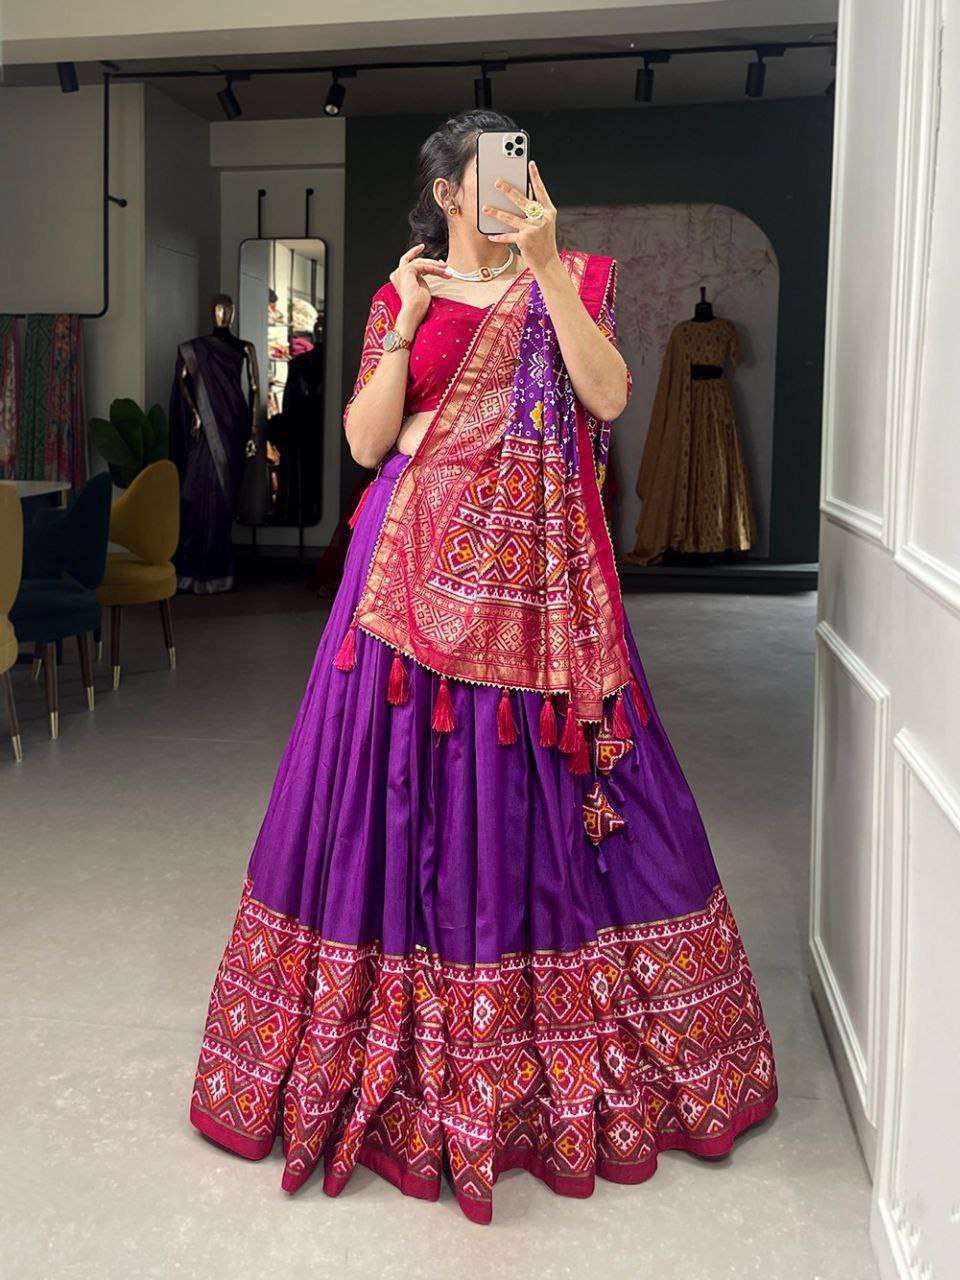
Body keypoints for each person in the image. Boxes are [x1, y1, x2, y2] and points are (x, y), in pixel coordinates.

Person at [188, 108, 777, 1225]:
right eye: (496, 170)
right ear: (449, 192)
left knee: (547, 808)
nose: (517, 183)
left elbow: (608, 397)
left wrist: (547, 269)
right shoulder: (401, 291)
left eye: (527, 163)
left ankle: (544, 1037)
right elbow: (367, 443)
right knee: (388, 804)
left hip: (539, 602)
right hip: (403, 595)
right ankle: (393, 1040)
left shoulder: (573, 281)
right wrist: (406, 327)